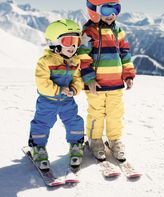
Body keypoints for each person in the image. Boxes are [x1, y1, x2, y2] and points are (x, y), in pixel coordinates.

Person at [78, 0, 136, 162]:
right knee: (96, 113)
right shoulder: (88, 32)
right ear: (94, 11)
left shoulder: (118, 31)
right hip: (96, 85)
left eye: (115, 9)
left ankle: (115, 140)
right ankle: (95, 140)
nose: (112, 14)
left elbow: (125, 54)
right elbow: (83, 56)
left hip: (116, 84)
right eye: (106, 9)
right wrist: (89, 79)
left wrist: (128, 74)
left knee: (115, 114)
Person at [28, 19, 85, 170]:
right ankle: (38, 148)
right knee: (41, 124)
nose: (73, 46)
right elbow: (42, 83)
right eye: (68, 41)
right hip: (48, 101)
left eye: (76, 41)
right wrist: (59, 90)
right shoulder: (45, 62)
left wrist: (73, 89)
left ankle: (76, 145)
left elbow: (78, 79)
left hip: (67, 101)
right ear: (54, 42)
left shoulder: (75, 61)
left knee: (75, 121)